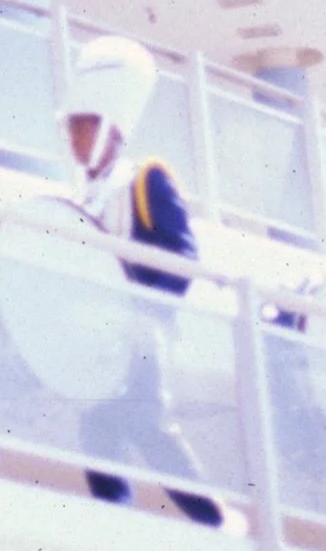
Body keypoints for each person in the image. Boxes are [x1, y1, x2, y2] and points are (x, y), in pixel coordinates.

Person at [58, 37, 220, 525]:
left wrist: (144, 313)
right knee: (98, 428)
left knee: (149, 427)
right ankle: (116, 520)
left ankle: (214, 521)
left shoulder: (145, 180)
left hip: (140, 335)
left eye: (82, 128)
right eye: (72, 130)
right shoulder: (83, 197)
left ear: (108, 130)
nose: (74, 140)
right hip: (98, 341)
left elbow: (183, 257)